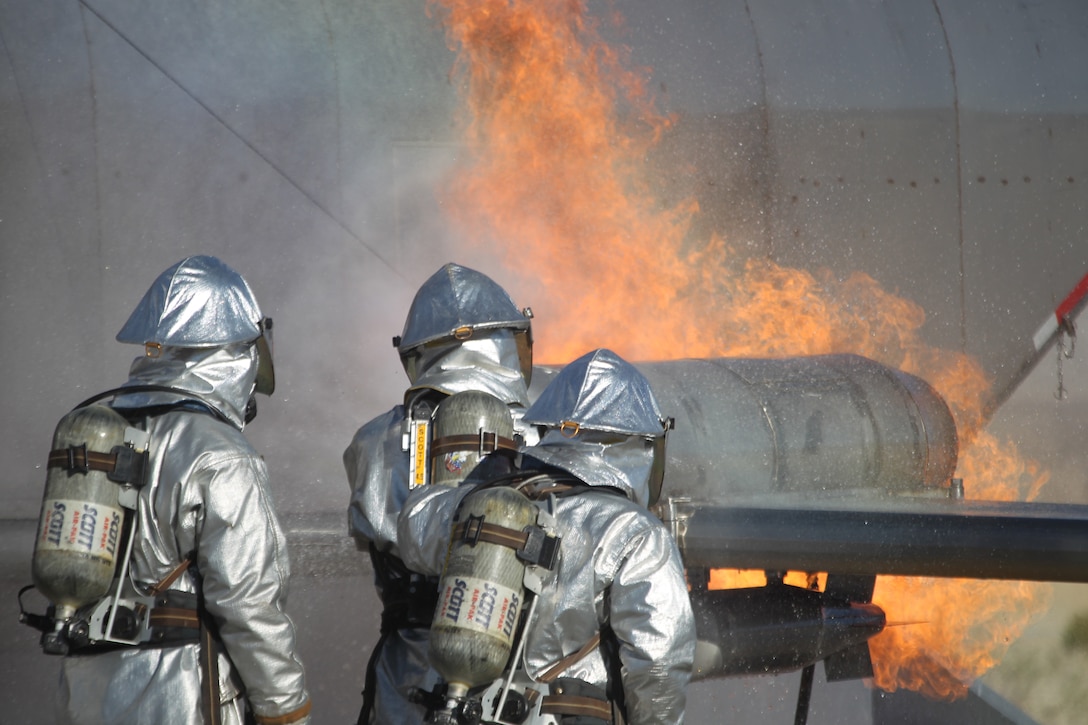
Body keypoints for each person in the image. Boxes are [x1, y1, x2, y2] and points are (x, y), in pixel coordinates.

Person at [55, 255, 312, 724]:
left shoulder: (99, 429)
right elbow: (249, 605)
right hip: (183, 692)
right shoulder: (222, 453)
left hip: (90, 692)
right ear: (236, 351)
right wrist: (287, 711)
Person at [397, 348, 696, 724]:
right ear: (637, 443)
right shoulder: (634, 531)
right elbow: (659, 660)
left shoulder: (482, 501)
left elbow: (412, 530)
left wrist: (476, 484)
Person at [344, 262, 535, 723]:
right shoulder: (537, 435)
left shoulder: (370, 441)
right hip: (504, 675)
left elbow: (368, 531)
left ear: (416, 354)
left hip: (402, 678)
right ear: (510, 341)